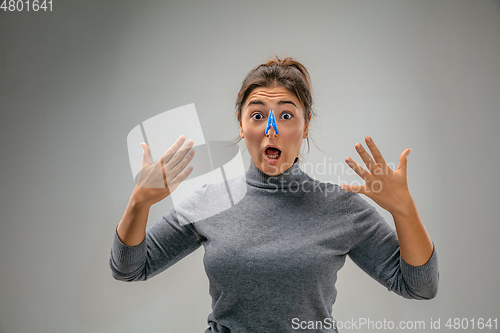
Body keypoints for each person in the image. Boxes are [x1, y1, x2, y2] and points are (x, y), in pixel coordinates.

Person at [109, 56, 439, 333]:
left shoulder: (342, 207)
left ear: (306, 125)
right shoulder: (209, 200)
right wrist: (140, 201)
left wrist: (404, 211)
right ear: (241, 125)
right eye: (257, 115)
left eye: (285, 115)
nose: (272, 129)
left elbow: (419, 286)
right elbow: (130, 268)